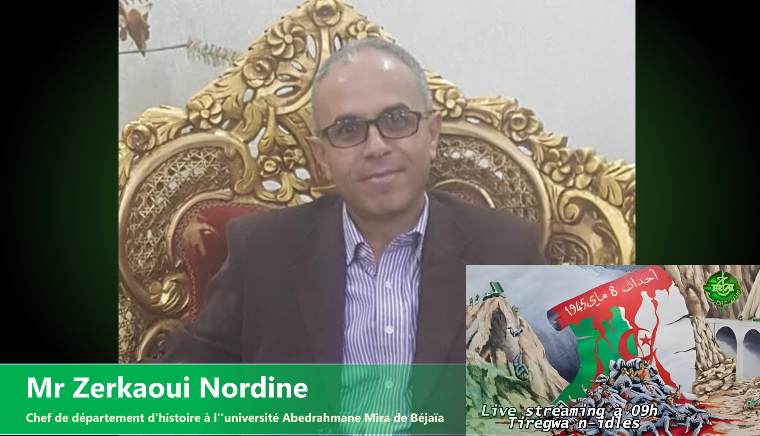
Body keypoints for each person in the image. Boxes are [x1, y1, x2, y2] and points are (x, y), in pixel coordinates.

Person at [157, 38, 545, 430]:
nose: (376, 146)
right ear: (322, 155)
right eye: (347, 130)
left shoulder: (505, 249)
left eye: (396, 120)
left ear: (431, 133)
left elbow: (554, 409)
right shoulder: (262, 251)